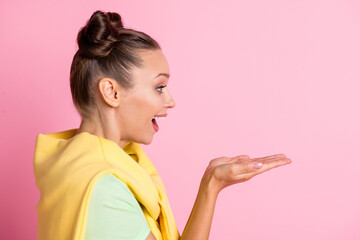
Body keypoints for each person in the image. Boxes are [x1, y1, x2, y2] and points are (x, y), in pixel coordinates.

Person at [33, 10, 292, 240]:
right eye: (159, 87)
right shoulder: (104, 190)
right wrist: (211, 187)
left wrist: (211, 186)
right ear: (111, 92)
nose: (170, 101)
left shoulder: (74, 164)